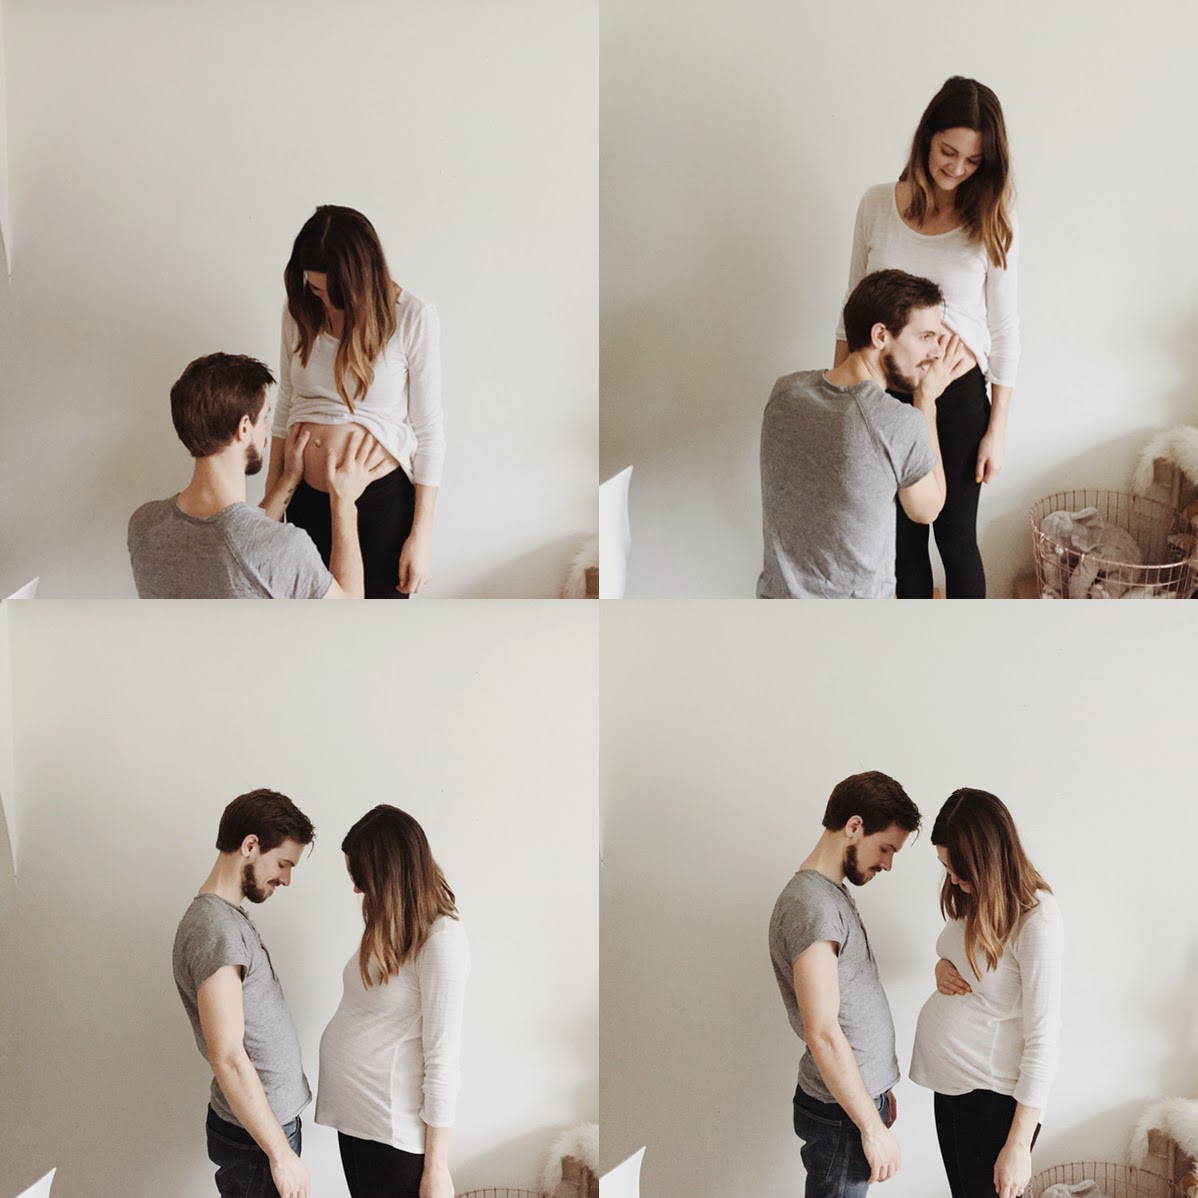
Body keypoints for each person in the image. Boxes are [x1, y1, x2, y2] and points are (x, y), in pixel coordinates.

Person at [834, 76, 1019, 598]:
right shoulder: (877, 205)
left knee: (956, 542)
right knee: (900, 543)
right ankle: (911, 644)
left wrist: (997, 431)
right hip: (882, 397)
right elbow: (850, 310)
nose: (957, 168)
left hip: (957, 400)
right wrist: (842, 399)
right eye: (948, 152)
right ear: (926, 139)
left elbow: (1005, 330)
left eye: (974, 160)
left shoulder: (993, 219)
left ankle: (969, 647)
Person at [266, 205, 445, 599]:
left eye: (337, 296)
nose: (327, 305)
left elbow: (429, 431)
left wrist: (421, 536)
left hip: (379, 502)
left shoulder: (413, 317)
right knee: (305, 627)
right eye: (317, 290)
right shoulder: (299, 310)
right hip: (304, 498)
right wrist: (271, 509)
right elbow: (285, 408)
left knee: (376, 629)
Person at [758, 269, 967, 598]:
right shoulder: (896, 422)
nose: (938, 352)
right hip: (858, 620)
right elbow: (927, 509)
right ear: (881, 335)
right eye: (926, 337)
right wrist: (926, 403)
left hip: (775, 611)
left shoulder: (784, 392)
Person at [768, 772, 923, 1196]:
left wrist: (878, 1089)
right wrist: (870, 1125)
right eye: (886, 848)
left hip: (852, 1105)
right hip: (843, 1116)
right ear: (854, 826)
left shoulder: (828, 895)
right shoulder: (812, 905)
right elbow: (822, 1030)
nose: (887, 864)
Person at [129, 352, 388, 597]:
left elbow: (243, 540)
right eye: (264, 417)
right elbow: (348, 611)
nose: (267, 430)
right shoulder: (285, 547)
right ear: (244, 428)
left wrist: (288, 479)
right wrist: (344, 502)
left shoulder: (144, 525)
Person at [910, 790, 1062, 1198]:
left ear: (988, 861)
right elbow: (969, 960)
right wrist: (942, 968)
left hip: (992, 1100)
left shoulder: (1037, 919)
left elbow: (1044, 1038)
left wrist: (1019, 1146)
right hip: (953, 1088)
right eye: (946, 867)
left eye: (959, 869)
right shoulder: (975, 898)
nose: (952, 880)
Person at [316, 806, 469, 1198]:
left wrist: (436, 1168)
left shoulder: (442, 942)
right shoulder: (391, 926)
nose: (356, 890)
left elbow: (443, 1059)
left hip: (392, 1135)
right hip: (357, 1122)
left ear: (390, 874)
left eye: (361, 878)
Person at [172, 788, 317, 1198]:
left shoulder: (225, 920)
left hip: (263, 1132)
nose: (286, 879)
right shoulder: (215, 929)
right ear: (250, 846)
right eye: (283, 864)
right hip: (259, 1141)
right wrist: (280, 1155)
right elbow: (229, 1057)